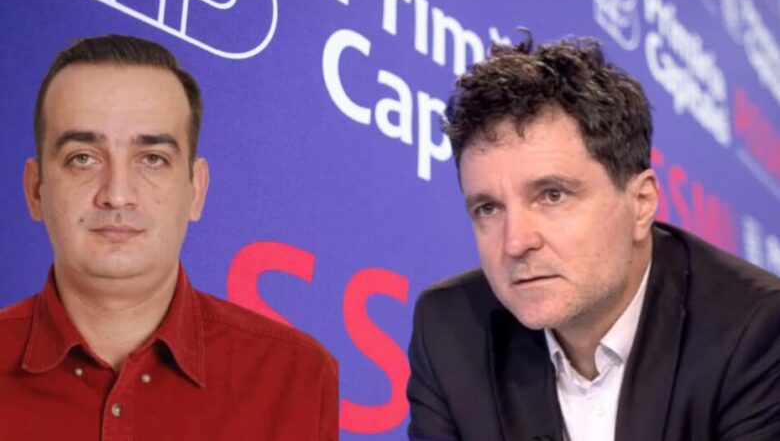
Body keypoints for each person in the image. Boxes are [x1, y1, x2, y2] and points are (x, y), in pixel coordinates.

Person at [406, 34, 780, 440]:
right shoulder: (450, 331)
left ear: (641, 203)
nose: (515, 243)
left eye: (552, 195)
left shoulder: (753, 328)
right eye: (488, 209)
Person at [0, 35, 338, 440]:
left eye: (152, 159)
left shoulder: (298, 379)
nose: (117, 194)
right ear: (35, 190)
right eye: (83, 158)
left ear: (196, 190)